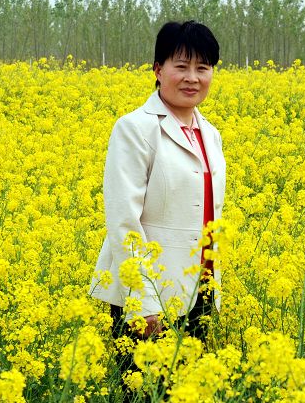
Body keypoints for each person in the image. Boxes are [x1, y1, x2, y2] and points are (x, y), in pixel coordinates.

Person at [88, 20, 225, 383]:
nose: (192, 77)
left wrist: (211, 290)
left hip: (198, 291)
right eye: (181, 66)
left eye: (202, 68)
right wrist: (144, 300)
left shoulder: (210, 134)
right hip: (150, 295)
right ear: (158, 70)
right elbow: (124, 222)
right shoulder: (135, 128)